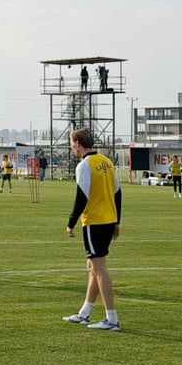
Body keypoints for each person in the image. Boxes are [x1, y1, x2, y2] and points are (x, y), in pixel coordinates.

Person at [63, 128, 122, 332]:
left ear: (78, 143)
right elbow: (117, 193)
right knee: (92, 268)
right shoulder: (106, 162)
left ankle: (112, 319)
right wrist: (116, 221)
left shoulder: (84, 165)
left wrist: (71, 222)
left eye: (71, 143)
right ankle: (85, 313)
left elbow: (82, 197)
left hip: (95, 221)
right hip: (108, 220)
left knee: (99, 269)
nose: (71, 147)